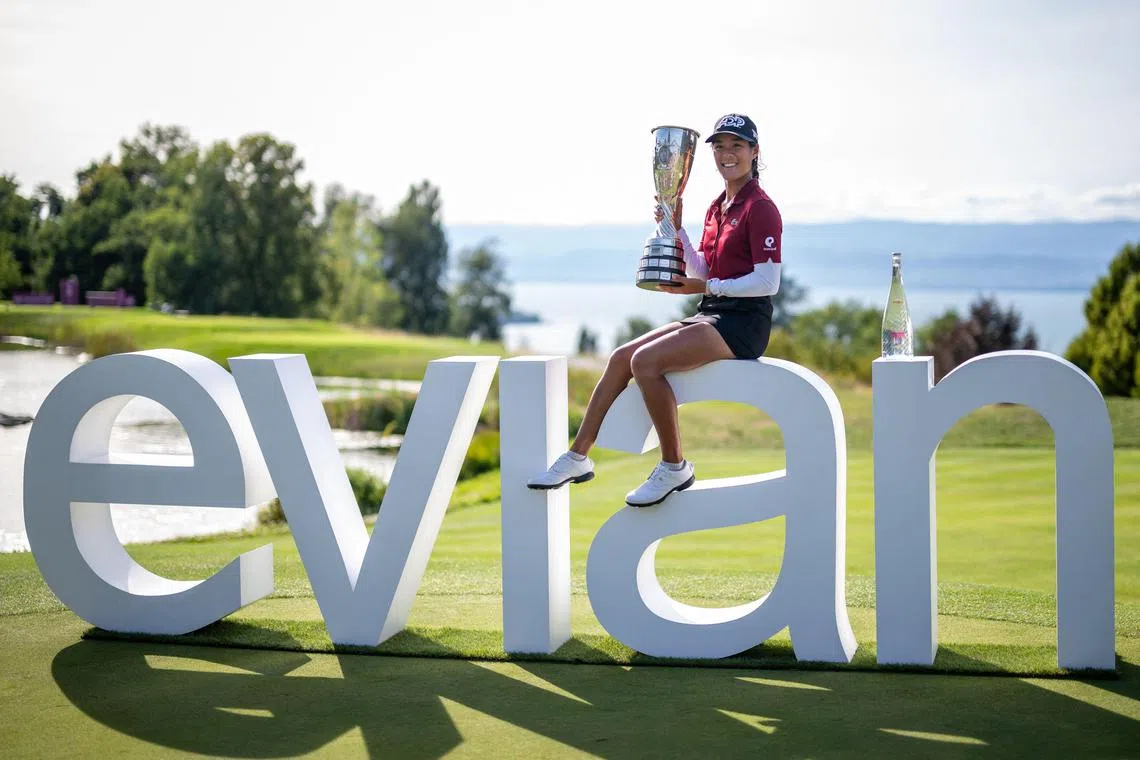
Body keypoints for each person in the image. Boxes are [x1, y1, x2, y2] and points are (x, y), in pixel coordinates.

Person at [527, 113, 782, 507]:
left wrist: (706, 286)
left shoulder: (761, 208)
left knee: (646, 362)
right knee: (620, 357)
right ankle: (577, 456)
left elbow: (768, 283)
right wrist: (676, 230)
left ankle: (674, 465)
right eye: (720, 146)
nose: (727, 154)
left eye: (736, 146)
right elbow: (706, 268)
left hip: (743, 324)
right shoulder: (718, 207)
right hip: (712, 312)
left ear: (754, 152)